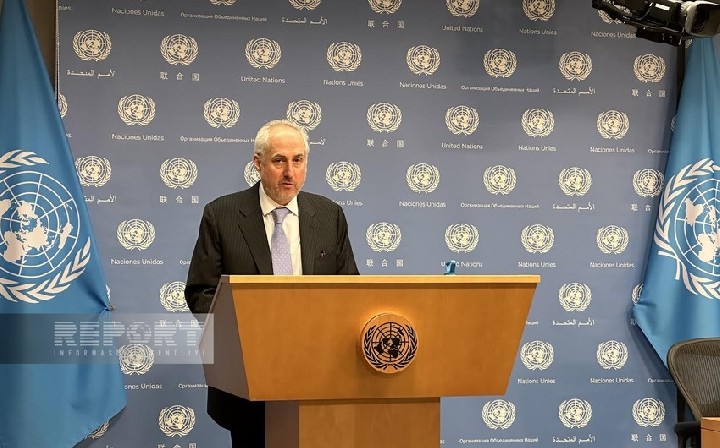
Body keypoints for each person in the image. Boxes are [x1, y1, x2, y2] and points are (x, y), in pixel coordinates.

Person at [184, 119, 359, 447]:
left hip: (318, 374)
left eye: (298, 160)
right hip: (249, 378)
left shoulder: (329, 215)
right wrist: (248, 334)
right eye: (279, 160)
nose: (290, 172)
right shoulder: (221, 215)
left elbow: (350, 291)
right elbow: (201, 293)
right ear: (258, 163)